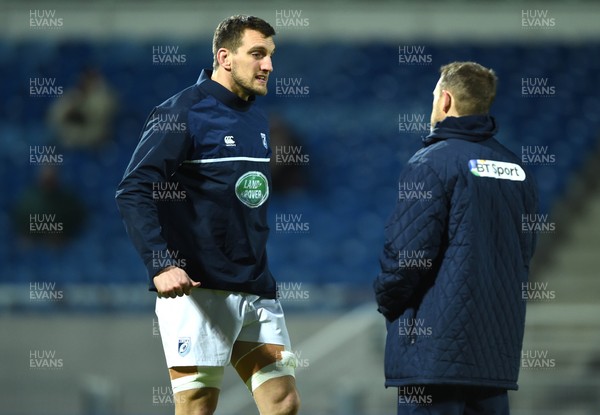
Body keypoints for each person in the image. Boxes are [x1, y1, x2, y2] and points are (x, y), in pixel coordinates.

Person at [115, 15, 300, 415]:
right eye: (257, 54)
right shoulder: (181, 112)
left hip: (255, 288)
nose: (268, 65)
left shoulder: (256, 116)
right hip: (199, 290)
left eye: (270, 55)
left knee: (284, 401)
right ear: (225, 57)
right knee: (198, 407)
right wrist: (160, 262)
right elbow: (133, 189)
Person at [373, 62, 538, 414]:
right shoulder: (518, 171)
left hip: (434, 360)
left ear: (445, 100)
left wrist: (388, 301)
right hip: (494, 358)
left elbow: (406, 255)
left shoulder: (431, 163)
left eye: (434, 97)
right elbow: (524, 256)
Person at [47, 67, 118, 149]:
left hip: (93, 142)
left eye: (90, 79)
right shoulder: (73, 94)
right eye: (85, 79)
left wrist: (78, 112)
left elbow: (96, 118)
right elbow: (54, 116)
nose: (87, 82)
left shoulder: (105, 98)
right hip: (67, 140)